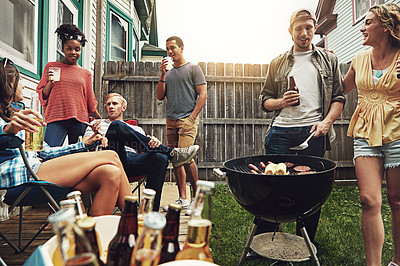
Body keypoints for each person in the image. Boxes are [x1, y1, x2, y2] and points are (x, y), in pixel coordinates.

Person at [247, 8, 346, 259]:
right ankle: (263, 243)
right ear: (290, 31)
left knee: (311, 190)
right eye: (299, 28)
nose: (304, 33)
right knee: (272, 186)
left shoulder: (329, 60)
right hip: (281, 132)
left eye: (309, 28)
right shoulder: (278, 62)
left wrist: (326, 123)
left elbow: (338, 97)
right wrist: (281, 102)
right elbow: (265, 101)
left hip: (313, 132)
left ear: (314, 28)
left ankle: (306, 243)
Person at [0, 57, 131, 216]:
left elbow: (47, 153)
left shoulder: (19, 115)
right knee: (111, 155)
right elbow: (4, 132)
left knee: (110, 173)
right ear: (11, 84)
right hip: (18, 179)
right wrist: (8, 130)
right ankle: (134, 220)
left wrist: (84, 144)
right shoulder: (13, 122)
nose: (22, 85)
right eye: (20, 81)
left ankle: (92, 237)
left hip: (37, 170)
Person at [343, 4, 400, 266]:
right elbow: (339, 89)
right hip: (365, 132)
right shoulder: (359, 59)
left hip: (397, 133)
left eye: (368, 22)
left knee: (397, 201)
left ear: (386, 27)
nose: (362, 27)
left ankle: (397, 261)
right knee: (368, 200)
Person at [83, 93, 199, 211]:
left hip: (130, 161)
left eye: (115, 103)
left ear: (123, 107)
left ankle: (150, 211)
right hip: (108, 160)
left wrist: (153, 142)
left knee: (160, 157)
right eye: (108, 104)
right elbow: (84, 145)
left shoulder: (136, 129)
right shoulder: (96, 124)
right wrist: (95, 136)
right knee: (116, 126)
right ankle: (170, 153)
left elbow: (143, 149)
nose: (111, 107)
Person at [156, 36, 207, 215]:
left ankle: (197, 199)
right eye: (167, 49)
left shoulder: (193, 68)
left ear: (182, 48)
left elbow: (203, 94)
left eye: (172, 48)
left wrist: (192, 118)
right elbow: (159, 96)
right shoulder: (168, 73)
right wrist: (162, 74)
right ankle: (183, 199)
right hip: (171, 120)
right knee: (176, 159)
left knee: (186, 158)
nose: (170, 52)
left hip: (188, 119)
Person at [36, 24, 101, 147]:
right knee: (49, 153)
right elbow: (43, 96)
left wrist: (100, 119)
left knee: (77, 155)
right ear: (63, 48)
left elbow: (90, 102)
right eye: (69, 48)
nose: (73, 52)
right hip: (56, 117)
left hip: (79, 120)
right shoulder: (51, 67)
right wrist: (50, 82)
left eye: (77, 49)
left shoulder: (85, 74)